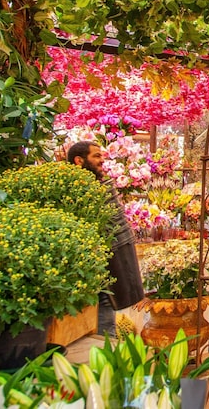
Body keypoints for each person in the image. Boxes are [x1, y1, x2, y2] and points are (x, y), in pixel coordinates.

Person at [67, 140, 145, 337]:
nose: (103, 160)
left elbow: (116, 225)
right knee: (102, 307)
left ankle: (105, 345)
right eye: (96, 156)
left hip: (108, 260)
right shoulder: (74, 190)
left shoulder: (102, 187)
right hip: (89, 263)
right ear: (79, 160)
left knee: (107, 304)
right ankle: (104, 350)